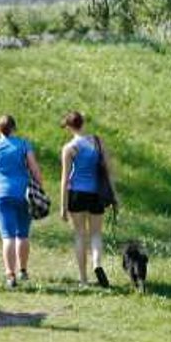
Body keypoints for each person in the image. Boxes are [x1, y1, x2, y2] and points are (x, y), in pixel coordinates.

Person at [0, 115, 44, 288]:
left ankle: (10, 275)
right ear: (14, 128)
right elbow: (34, 168)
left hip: (1, 194)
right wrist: (41, 186)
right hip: (23, 193)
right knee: (23, 234)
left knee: (7, 236)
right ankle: (23, 270)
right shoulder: (24, 144)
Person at [59, 110, 116, 288]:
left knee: (79, 235)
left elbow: (65, 178)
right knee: (96, 234)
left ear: (69, 127)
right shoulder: (98, 142)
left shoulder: (69, 148)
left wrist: (63, 205)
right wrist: (114, 195)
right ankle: (97, 264)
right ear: (83, 123)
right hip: (96, 193)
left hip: (76, 193)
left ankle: (83, 279)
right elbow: (108, 170)